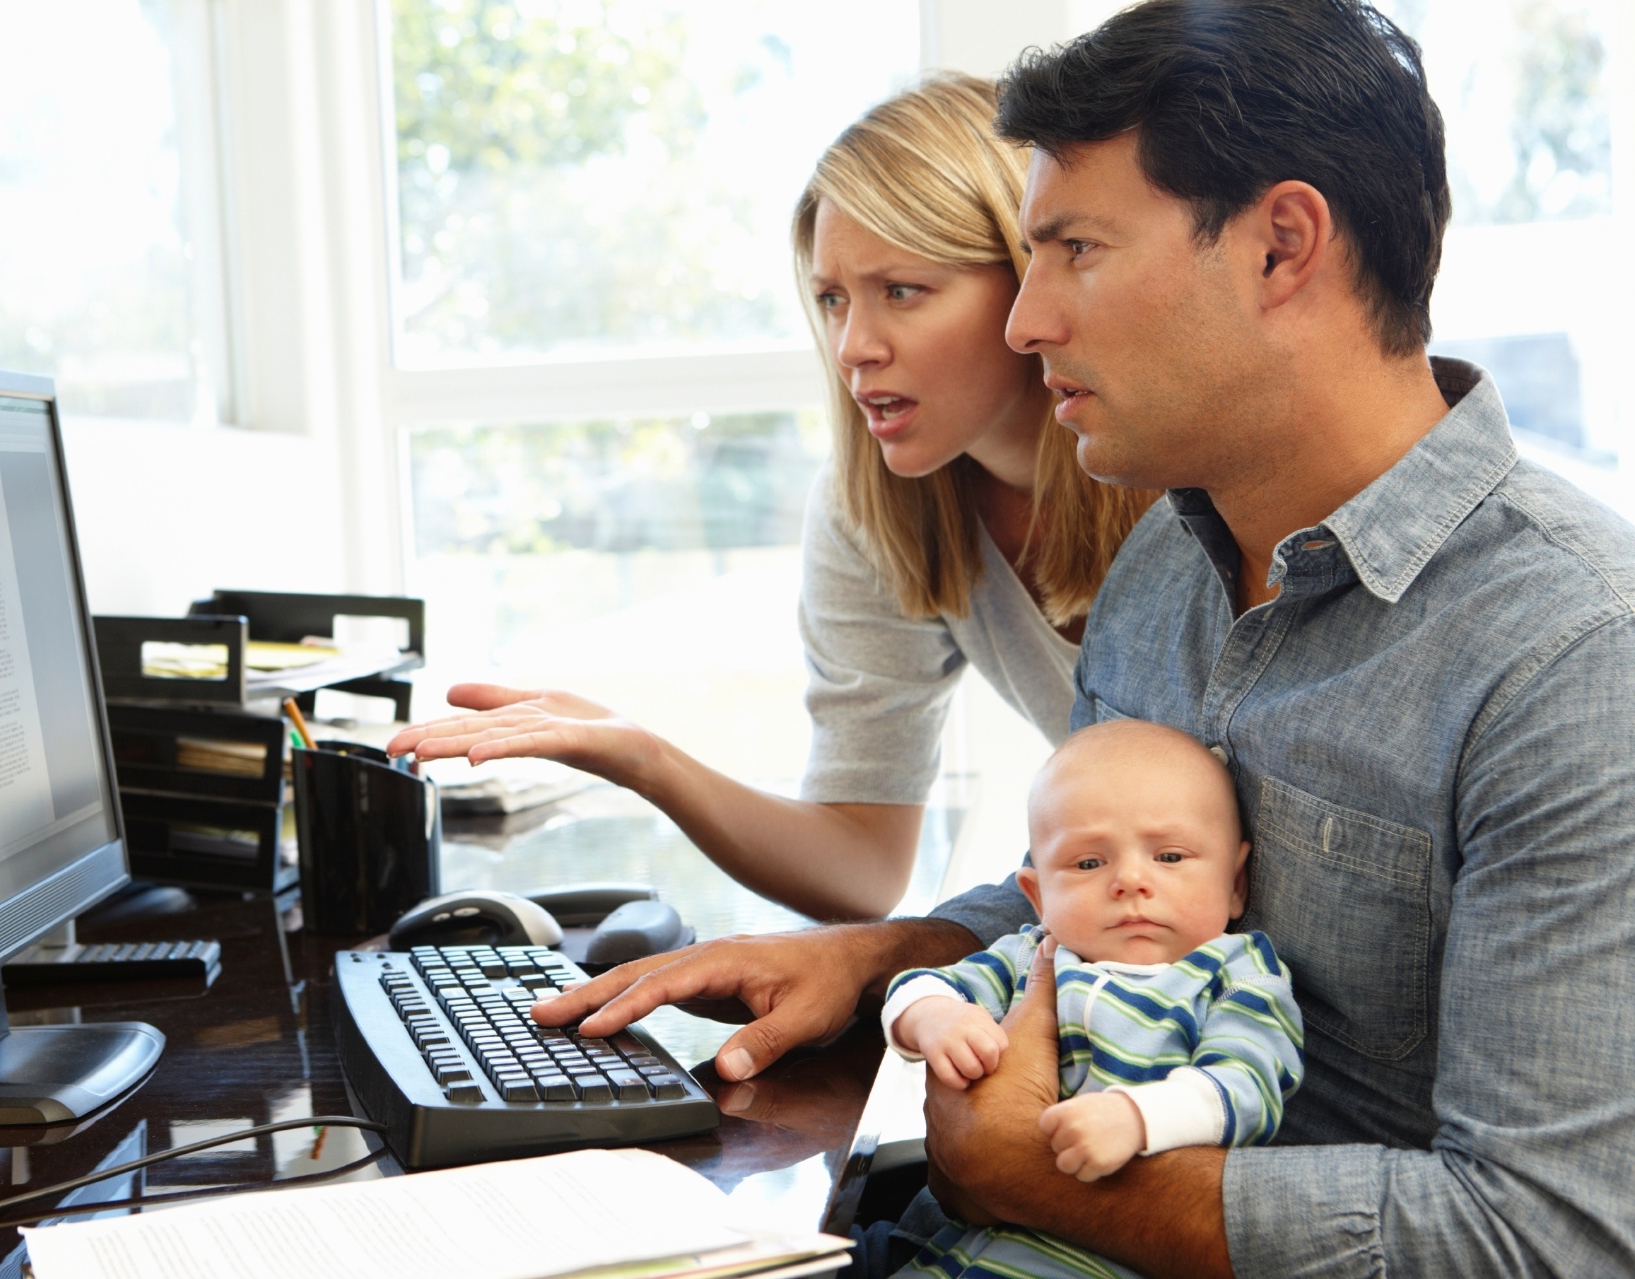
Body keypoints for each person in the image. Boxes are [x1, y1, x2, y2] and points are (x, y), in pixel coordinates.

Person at [529, 1, 1635, 1275]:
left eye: (1074, 252)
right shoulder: (1171, 553)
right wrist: (881, 957)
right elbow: (1109, 892)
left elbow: (1551, 1238)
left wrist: (1043, 1185)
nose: (1024, 319)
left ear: (1283, 247)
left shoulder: (1572, 660)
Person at [389, 74, 1153, 922]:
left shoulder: (1177, 472)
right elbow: (859, 863)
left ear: (1025, 280)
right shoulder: (876, 511)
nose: (853, 346)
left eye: (902, 290)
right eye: (832, 299)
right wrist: (642, 756)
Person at [883, 719, 1301, 1279]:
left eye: (1170, 857)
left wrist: (1138, 1117)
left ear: (1235, 883)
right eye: (1088, 863)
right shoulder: (1036, 952)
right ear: (1037, 894)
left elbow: (1248, 1086)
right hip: (954, 1245)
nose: (1130, 880)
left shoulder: (1236, 974)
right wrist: (933, 1017)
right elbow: (921, 985)